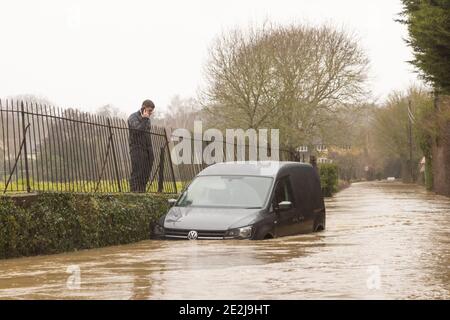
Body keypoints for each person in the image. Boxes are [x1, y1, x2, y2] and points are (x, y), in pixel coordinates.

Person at [128, 99, 155, 192]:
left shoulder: (147, 120)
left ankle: (142, 192)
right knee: (137, 173)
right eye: (149, 110)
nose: (151, 113)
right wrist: (144, 119)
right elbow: (137, 131)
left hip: (147, 150)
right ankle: (134, 193)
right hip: (137, 149)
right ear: (143, 108)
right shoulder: (133, 117)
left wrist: (150, 152)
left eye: (152, 111)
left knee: (146, 173)